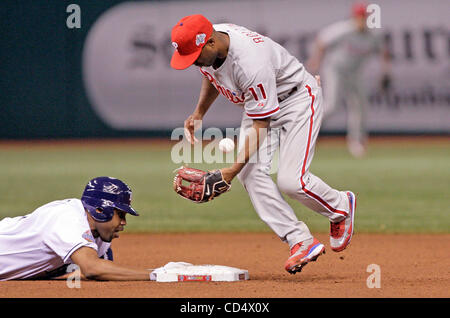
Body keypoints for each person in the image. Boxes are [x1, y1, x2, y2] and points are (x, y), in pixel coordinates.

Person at [170, 14, 356, 274]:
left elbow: (261, 126)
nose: (193, 63)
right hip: (260, 103)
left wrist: (229, 172)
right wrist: (199, 112)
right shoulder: (209, 43)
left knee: (292, 182)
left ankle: (341, 206)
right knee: (251, 173)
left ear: (210, 43)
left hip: (298, 99)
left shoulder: (249, 62)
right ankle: (299, 240)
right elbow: (211, 73)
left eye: (194, 57)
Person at [0, 176, 152, 281]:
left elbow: (107, 271)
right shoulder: (67, 218)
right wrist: (155, 275)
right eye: (120, 215)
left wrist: (158, 272)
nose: (124, 222)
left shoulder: (98, 235)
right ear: (100, 210)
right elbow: (93, 269)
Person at [307, 2, 391, 158]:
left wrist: (386, 73)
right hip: (335, 70)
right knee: (331, 106)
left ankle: (356, 142)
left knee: (360, 106)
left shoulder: (373, 35)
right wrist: (316, 62)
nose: (362, 20)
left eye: (364, 17)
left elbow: (384, 52)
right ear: (354, 17)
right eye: (359, 17)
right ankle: (308, 133)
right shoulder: (343, 29)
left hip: (355, 73)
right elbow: (321, 41)